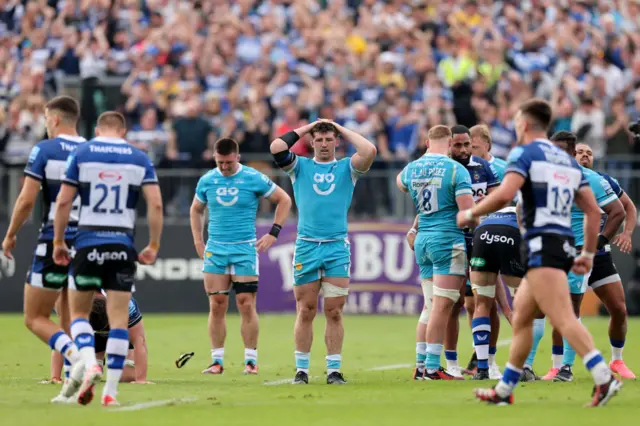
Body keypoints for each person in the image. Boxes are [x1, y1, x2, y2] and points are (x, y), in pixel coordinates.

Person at [457, 98, 622, 407]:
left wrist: (470, 214)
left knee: (563, 317)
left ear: (524, 123)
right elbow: (590, 209)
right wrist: (587, 252)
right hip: (558, 245)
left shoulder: (526, 153)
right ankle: (504, 391)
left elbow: (505, 193)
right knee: (522, 318)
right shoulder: (567, 160)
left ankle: (604, 377)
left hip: (542, 245)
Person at [53, 111, 163, 407]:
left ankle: (89, 362)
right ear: (123, 131)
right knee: (118, 320)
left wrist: (59, 241)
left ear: (98, 130)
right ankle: (110, 392)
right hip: (122, 245)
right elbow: (155, 202)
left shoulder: (83, 152)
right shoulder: (138, 157)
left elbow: (63, 201)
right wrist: (153, 243)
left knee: (77, 316)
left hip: (88, 243)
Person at [270, 119, 377, 385]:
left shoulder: (346, 169)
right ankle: (301, 370)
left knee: (334, 311)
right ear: (312, 142)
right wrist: (309, 127)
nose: (324, 144)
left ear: (336, 141)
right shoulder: (299, 167)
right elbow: (276, 147)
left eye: (329, 139)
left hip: (336, 247)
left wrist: (340, 127)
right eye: (319, 139)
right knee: (305, 309)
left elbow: (369, 150)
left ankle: (334, 370)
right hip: (306, 246)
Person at [1, 95, 86, 403]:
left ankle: (81, 360)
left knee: (34, 316)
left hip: (56, 240)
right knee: (68, 312)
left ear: (55, 120)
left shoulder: (45, 150)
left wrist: (10, 235)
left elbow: (26, 200)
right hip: (89, 241)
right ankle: (68, 383)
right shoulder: (93, 149)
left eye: (47, 120)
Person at [190, 138, 292, 375]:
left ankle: (251, 360)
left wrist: (273, 234)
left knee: (246, 304)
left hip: (244, 249)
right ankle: (216, 361)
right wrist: (198, 240)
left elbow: (284, 200)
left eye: (228, 162)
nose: (224, 167)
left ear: (237, 157)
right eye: (219, 162)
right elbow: (196, 209)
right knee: (217, 304)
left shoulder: (253, 177)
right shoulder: (207, 180)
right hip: (216, 250)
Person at [539, 141, 633, 381]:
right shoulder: (557, 179)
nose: (584, 156)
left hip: (598, 253)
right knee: (568, 308)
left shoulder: (602, 181)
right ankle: (558, 365)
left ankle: (617, 359)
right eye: (580, 152)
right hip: (567, 253)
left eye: (589, 153)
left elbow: (627, 208)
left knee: (620, 309)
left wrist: (626, 233)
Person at [399, 125, 473, 380]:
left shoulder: (412, 168)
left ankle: (420, 366)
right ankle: (432, 367)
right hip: (447, 241)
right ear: (451, 143)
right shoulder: (457, 170)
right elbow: (466, 215)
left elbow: (401, 184)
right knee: (442, 307)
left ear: (427, 142)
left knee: (430, 307)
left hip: (423, 240)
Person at [445, 124, 501, 378]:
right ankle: (452, 364)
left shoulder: (483, 166)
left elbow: (497, 198)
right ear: (449, 145)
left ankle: (488, 362)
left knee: (486, 302)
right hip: (454, 241)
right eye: (458, 145)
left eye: (467, 144)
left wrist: (479, 207)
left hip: (481, 239)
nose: (464, 149)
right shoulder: (445, 169)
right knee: (453, 303)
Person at [49, 292, 151, 398]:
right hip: (92, 334)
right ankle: (97, 359)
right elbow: (63, 339)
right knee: (86, 376)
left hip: (119, 331)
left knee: (128, 377)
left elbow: (139, 341)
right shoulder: (74, 307)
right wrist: (55, 377)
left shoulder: (126, 306)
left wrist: (141, 380)